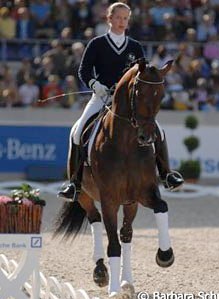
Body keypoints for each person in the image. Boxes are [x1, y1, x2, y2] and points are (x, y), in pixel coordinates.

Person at [58, 2, 183, 201]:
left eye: (125, 18)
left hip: (128, 101)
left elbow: (143, 75)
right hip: (101, 96)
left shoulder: (135, 46)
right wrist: (95, 84)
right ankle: (74, 183)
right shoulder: (97, 43)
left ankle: (167, 174)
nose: (122, 22)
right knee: (78, 131)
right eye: (118, 18)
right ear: (109, 19)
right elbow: (84, 70)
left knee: (158, 130)